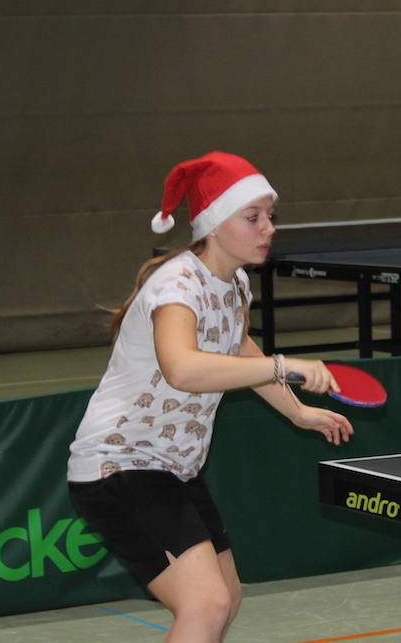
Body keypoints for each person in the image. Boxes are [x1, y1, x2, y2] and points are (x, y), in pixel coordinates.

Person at [67, 151, 354, 643]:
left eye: (270, 216)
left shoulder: (234, 283)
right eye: (253, 217)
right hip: (121, 464)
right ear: (215, 225)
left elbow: (238, 347)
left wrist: (298, 412)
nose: (268, 228)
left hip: (173, 467)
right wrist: (286, 364)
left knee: (226, 598)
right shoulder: (177, 286)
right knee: (206, 604)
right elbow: (182, 367)